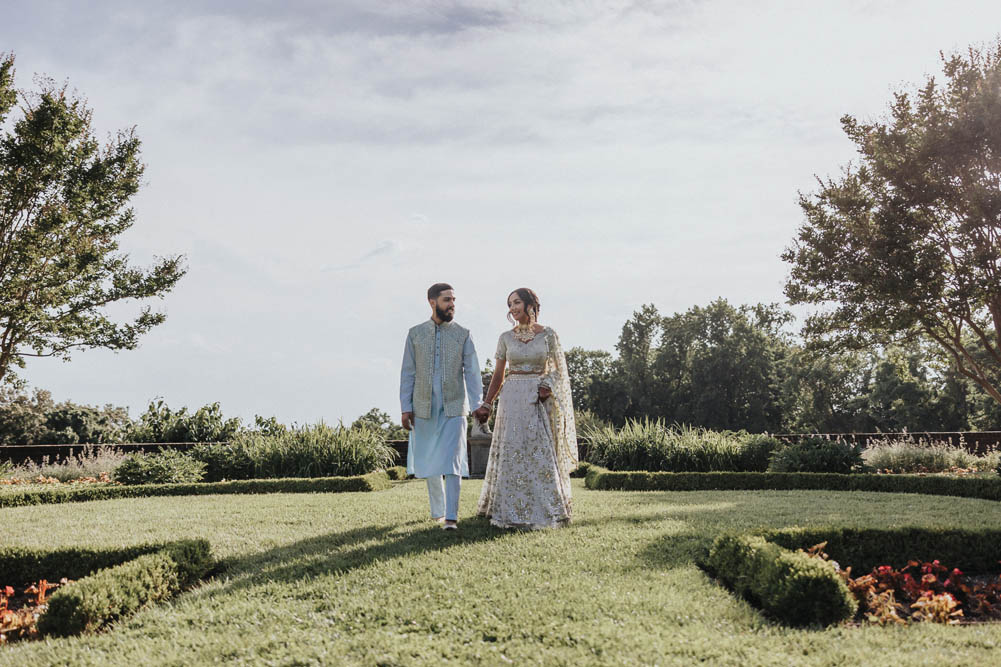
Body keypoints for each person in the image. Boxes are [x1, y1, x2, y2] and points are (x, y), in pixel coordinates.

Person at [475, 288, 577, 529]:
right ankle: (508, 509)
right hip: (512, 398)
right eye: (510, 304)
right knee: (513, 451)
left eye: (517, 302)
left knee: (539, 451)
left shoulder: (549, 335)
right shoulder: (505, 338)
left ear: (531, 304)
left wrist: (547, 385)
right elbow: (499, 374)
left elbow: (558, 370)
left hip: (538, 399)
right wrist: (487, 403)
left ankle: (547, 509)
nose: (513, 308)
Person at [400, 283, 489, 530]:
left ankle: (451, 517)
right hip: (423, 407)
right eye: (447, 300)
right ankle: (438, 511)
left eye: (453, 300)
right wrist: (405, 407)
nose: (452, 305)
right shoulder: (415, 334)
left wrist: (477, 405)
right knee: (429, 461)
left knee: (452, 461)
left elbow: (472, 373)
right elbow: (408, 373)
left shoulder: (463, 334)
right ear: (432, 302)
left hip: (454, 406)